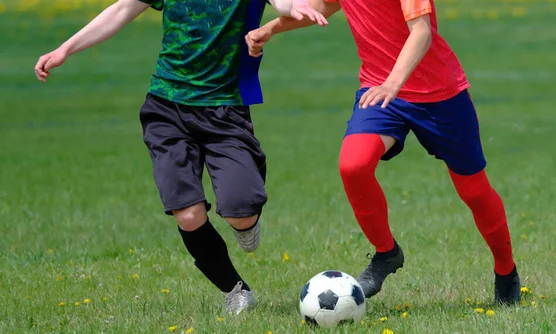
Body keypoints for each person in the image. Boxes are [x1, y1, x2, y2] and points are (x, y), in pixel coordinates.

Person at [34, 0, 328, 314]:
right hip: (166, 107)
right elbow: (122, 9)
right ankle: (235, 290)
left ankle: (245, 218)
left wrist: (295, 5)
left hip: (225, 108)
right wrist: (66, 48)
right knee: (187, 215)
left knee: (241, 213)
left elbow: (283, 2)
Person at [245, 0, 521, 304]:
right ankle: (386, 253)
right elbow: (321, 9)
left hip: (440, 95)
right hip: (380, 91)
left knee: (474, 191)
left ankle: (506, 272)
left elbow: (422, 32)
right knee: (354, 165)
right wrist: (270, 28)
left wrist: (393, 83)